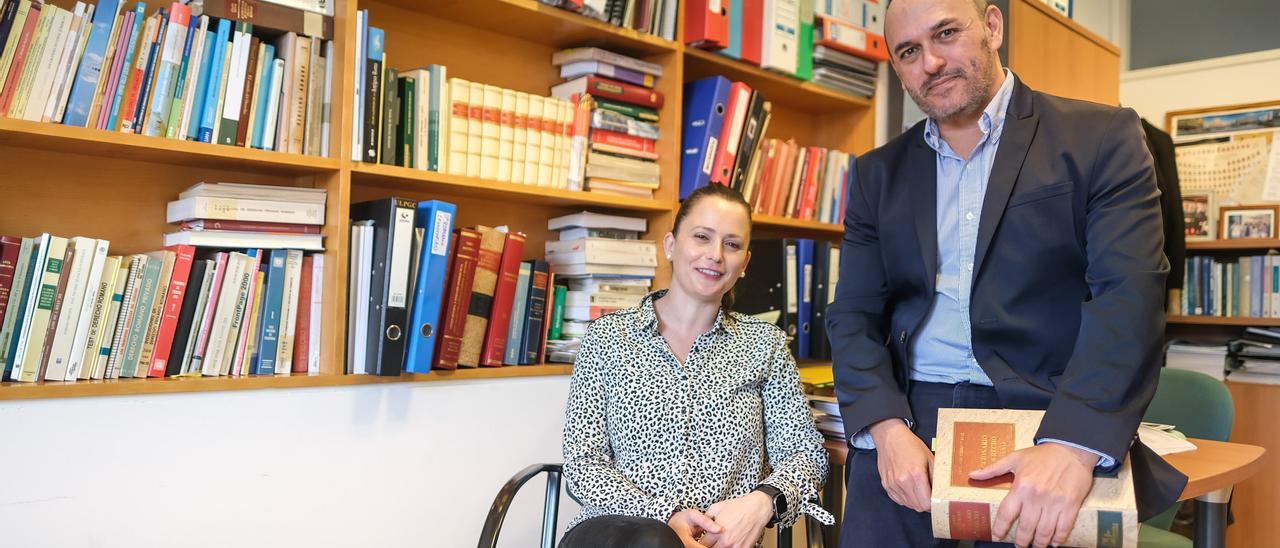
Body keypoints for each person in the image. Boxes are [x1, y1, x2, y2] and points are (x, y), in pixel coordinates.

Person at [825, 1, 1188, 547]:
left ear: (992, 26)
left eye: (946, 34)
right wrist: (884, 427)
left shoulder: (1101, 137)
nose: (930, 62)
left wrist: (1072, 445)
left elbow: (1128, 299)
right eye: (909, 51)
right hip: (912, 418)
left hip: (1049, 410)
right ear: (897, 68)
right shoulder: (878, 173)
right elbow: (852, 314)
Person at [560, 184, 832, 548]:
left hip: (721, 541)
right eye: (702, 237)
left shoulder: (764, 346)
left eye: (732, 244)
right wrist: (665, 517)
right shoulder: (608, 338)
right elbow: (582, 464)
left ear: (745, 262)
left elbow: (807, 453)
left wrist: (762, 501)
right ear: (671, 245)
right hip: (616, 533)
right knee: (655, 542)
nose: (716, 255)